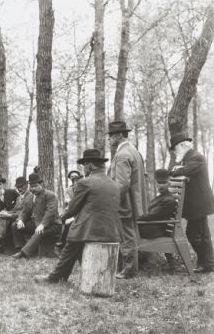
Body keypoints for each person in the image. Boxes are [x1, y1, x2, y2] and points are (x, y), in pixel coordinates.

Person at [33, 149, 121, 283]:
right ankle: (88, 274)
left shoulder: (85, 182)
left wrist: (60, 218)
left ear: (90, 165)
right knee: (77, 236)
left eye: (84, 165)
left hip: (91, 230)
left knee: (72, 241)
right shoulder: (114, 185)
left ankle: (56, 277)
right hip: (112, 232)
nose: (83, 168)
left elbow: (72, 209)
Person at [107, 121, 148, 279]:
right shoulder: (133, 150)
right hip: (132, 201)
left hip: (125, 203)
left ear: (119, 135)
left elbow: (122, 184)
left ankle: (130, 270)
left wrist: (112, 201)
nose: (109, 139)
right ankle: (128, 267)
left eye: (111, 135)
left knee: (126, 235)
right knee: (128, 233)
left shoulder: (123, 154)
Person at [169, 133, 214, 273]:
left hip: (198, 205)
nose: (175, 152)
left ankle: (208, 262)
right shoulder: (189, 158)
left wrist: (175, 170)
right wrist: (177, 169)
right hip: (197, 205)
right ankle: (208, 263)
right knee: (203, 235)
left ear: (182, 145)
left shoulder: (196, 157)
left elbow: (184, 171)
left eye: (175, 148)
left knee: (193, 234)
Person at [12, 173, 61, 259]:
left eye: (35, 186)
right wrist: (20, 220)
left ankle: (23, 253)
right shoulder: (31, 197)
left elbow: (50, 212)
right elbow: (24, 212)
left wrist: (42, 225)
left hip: (52, 225)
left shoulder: (50, 195)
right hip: (36, 223)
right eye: (32, 186)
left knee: (39, 232)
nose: (33, 189)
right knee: (15, 226)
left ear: (41, 185)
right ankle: (22, 248)